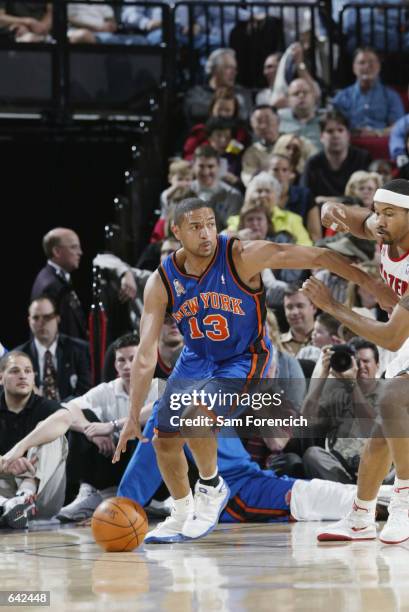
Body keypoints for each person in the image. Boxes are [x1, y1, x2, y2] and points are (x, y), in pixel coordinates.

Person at [112, 196, 394, 544]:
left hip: (245, 358)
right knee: (163, 439)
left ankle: (212, 487)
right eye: (196, 227)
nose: (206, 234)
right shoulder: (162, 281)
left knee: (194, 419)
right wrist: (129, 416)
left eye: (211, 224)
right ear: (176, 231)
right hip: (196, 359)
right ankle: (182, 511)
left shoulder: (241, 256)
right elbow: (144, 354)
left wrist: (374, 285)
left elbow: (320, 256)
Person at [303, 178, 409, 544]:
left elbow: (391, 336)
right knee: (382, 436)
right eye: (378, 212)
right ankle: (361, 517)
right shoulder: (385, 230)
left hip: (401, 335)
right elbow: (346, 214)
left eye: (389, 214)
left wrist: (331, 307)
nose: (380, 221)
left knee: (394, 397)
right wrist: (332, 211)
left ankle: (404, 506)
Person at [57, 333, 141, 521]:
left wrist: (111, 426)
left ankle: (161, 498)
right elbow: (68, 407)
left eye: (132, 359)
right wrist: (92, 431)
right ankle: (92, 492)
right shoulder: (107, 390)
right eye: (121, 360)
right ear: (115, 365)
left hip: (146, 464)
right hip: (113, 460)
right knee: (82, 418)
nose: (127, 366)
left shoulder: (157, 387)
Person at [0, 352, 72, 528]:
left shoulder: (44, 406)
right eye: (15, 371)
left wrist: (19, 448)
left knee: (55, 436)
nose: (23, 375)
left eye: (28, 370)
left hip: (42, 497)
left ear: (34, 377)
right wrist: (5, 463)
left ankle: (24, 496)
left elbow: (65, 418)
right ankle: (8, 506)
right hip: (4, 488)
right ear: (1, 378)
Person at [301, 339, 381, 484]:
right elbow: (306, 418)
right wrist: (323, 375)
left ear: (378, 365)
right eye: (356, 361)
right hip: (339, 468)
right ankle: (350, 491)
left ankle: (353, 493)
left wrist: (352, 385)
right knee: (312, 455)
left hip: (378, 471)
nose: (361, 366)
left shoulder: (388, 393)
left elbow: (371, 427)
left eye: (366, 361)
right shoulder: (338, 392)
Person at [15, 296, 91, 401]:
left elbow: (86, 392)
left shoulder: (80, 350)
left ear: (57, 318)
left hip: (72, 412)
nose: (41, 323)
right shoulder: (18, 356)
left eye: (47, 317)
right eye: (36, 318)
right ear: (29, 321)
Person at [301, 110, 371, 203]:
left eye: (340, 130)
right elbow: (305, 198)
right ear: (321, 136)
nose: (336, 135)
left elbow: (369, 196)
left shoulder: (363, 158)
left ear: (348, 135)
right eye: (330, 131)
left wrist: (326, 200)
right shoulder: (312, 164)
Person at [332, 47, 404, 135]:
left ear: (379, 66)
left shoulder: (391, 96)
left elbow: (398, 127)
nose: (367, 66)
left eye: (371, 62)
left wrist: (375, 133)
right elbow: (334, 127)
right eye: (362, 63)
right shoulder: (342, 96)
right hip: (350, 144)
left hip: (381, 144)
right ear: (354, 67)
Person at [31, 227, 87, 340]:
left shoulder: (57, 278)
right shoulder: (50, 285)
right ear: (56, 251)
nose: (80, 253)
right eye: (74, 247)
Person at [184, 48, 252, 124]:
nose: (234, 72)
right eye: (228, 67)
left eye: (235, 68)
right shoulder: (196, 93)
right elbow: (196, 111)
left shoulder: (242, 92)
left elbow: (246, 115)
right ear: (213, 69)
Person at [241, 106, 280, 186]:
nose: (263, 126)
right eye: (259, 121)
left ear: (278, 121)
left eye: (268, 120)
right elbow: (249, 180)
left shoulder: (293, 142)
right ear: (252, 126)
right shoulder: (251, 152)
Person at [278, 78, 321, 150]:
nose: (301, 96)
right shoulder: (278, 119)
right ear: (288, 100)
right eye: (296, 93)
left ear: (314, 97)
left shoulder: (326, 120)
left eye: (305, 92)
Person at [280, 284, 317, 356]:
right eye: (289, 307)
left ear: (314, 307)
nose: (295, 312)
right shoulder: (276, 345)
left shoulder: (329, 341)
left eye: (300, 306)